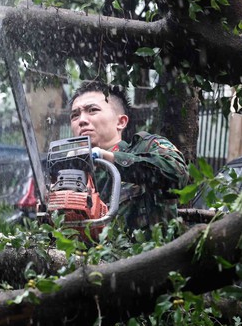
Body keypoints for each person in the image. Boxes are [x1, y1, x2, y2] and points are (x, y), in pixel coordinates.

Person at [68, 81, 188, 231]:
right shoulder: (72, 174)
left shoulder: (145, 147)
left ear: (121, 122)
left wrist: (109, 158)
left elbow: (177, 174)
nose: (82, 121)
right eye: (75, 115)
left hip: (149, 253)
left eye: (92, 110)